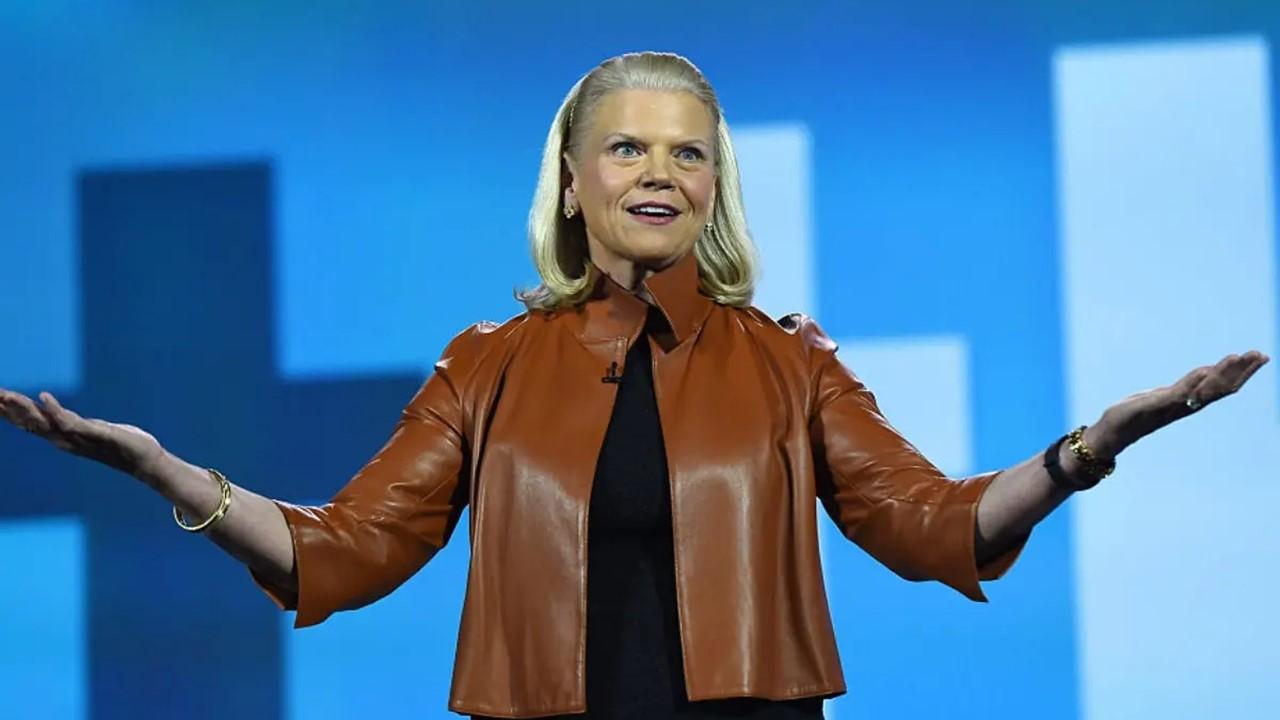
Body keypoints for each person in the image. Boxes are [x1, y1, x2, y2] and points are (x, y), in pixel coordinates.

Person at [0, 51, 1269, 719]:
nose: (658, 172)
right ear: (572, 176)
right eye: (626, 146)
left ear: (715, 183)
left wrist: (1087, 446)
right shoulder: (484, 367)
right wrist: (167, 472)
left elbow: (936, 528)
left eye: (687, 153)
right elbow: (342, 554)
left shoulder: (789, 361)